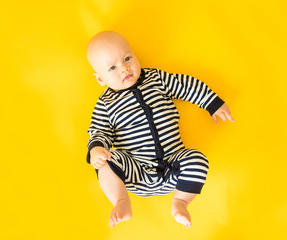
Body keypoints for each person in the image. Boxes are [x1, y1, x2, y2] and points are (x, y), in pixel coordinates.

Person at [86, 31, 234, 229]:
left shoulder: (156, 79)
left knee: (197, 159)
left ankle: (180, 201)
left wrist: (211, 103)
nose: (124, 68)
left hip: (174, 166)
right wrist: (96, 148)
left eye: (127, 58)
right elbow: (99, 130)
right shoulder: (106, 103)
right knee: (105, 162)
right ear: (100, 79)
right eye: (112, 67)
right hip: (135, 171)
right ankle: (121, 201)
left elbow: (185, 85)